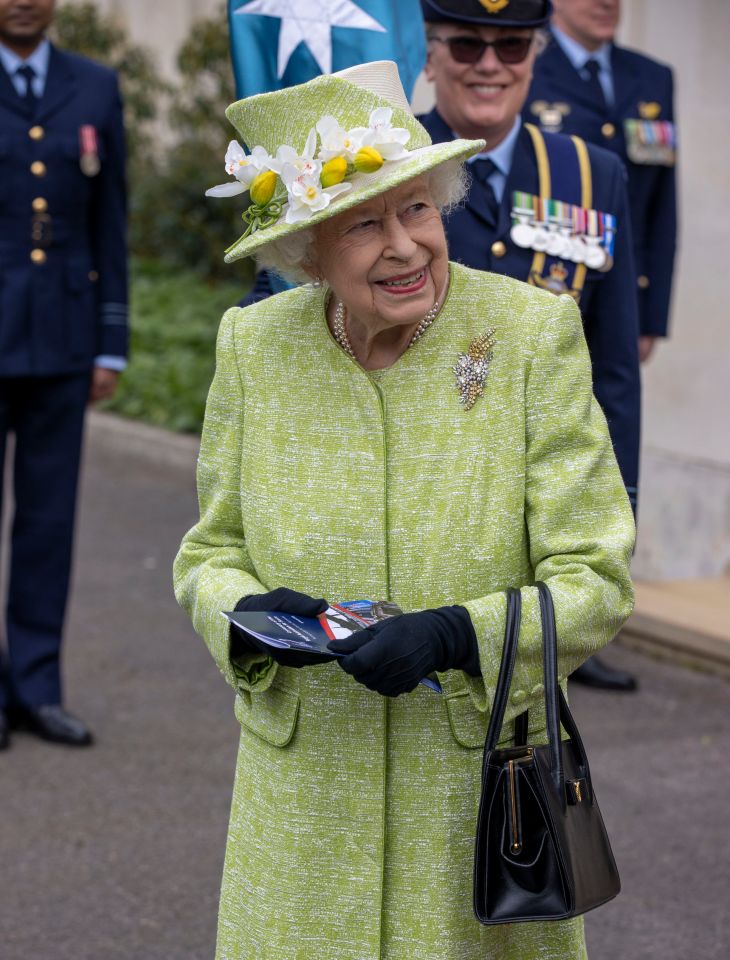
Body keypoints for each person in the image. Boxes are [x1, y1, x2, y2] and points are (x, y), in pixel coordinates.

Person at [173, 59, 635, 959]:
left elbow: (598, 579)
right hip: (303, 802)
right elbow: (209, 553)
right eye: (364, 225)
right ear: (306, 253)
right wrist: (245, 616)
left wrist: (460, 636)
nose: (405, 246)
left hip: (473, 798)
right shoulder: (255, 346)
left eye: (417, 208)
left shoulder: (532, 336)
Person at [419, 0, 639, 692]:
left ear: (535, 56)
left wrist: (617, 506)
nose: (489, 64)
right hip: (421, 487)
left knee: (524, 734)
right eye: (466, 45)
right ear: (430, 54)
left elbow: (612, 363)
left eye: (511, 47)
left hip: (538, 501)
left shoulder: (587, 172)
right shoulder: (386, 158)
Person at [0, 0, 128, 749]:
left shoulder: (95, 85)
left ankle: (37, 688)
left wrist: (109, 342)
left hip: (62, 341)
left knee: (48, 524)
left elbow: (110, 217)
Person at [525, 0, 677, 363]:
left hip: (624, 292)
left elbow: (661, 204)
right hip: (547, 289)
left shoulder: (653, 77)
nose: (607, 3)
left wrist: (650, 315)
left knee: (614, 410)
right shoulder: (524, 65)